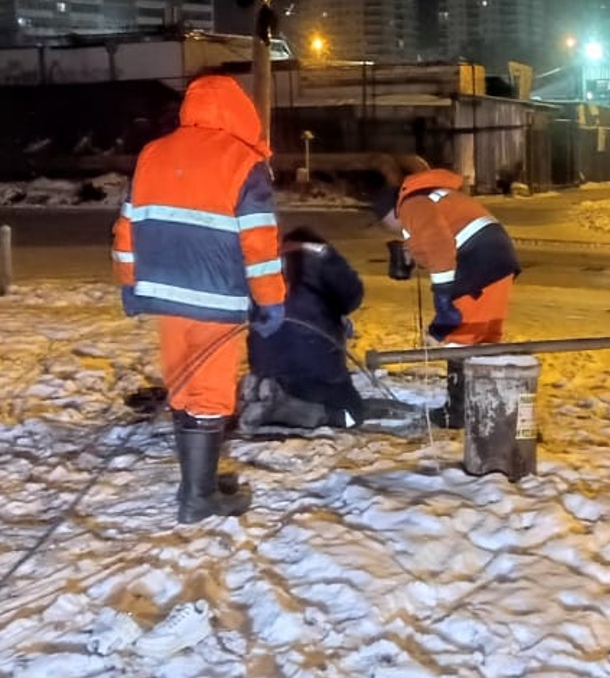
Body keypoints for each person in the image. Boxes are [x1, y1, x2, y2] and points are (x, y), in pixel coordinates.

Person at [112, 74, 285, 525]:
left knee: (184, 386)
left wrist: (129, 284)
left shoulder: (153, 154)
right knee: (210, 393)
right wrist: (271, 300)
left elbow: (127, 227)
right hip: (216, 296)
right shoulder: (243, 162)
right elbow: (260, 245)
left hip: (165, 297)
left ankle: (197, 483)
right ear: (241, 113)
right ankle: (198, 498)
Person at [373, 168, 520, 345]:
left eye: (385, 223)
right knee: (484, 338)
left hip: (478, 265)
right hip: (497, 259)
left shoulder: (410, 205)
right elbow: (443, 237)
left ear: (392, 212)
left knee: (461, 338)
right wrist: (416, 254)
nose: (389, 229)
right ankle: (483, 370)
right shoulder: (430, 198)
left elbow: (439, 246)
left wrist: (442, 300)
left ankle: (460, 370)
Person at [242, 226, 367, 431]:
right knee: (352, 415)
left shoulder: (265, 264)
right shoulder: (323, 258)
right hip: (317, 371)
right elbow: (352, 297)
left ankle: (264, 394)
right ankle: (295, 410)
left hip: (265, 365)